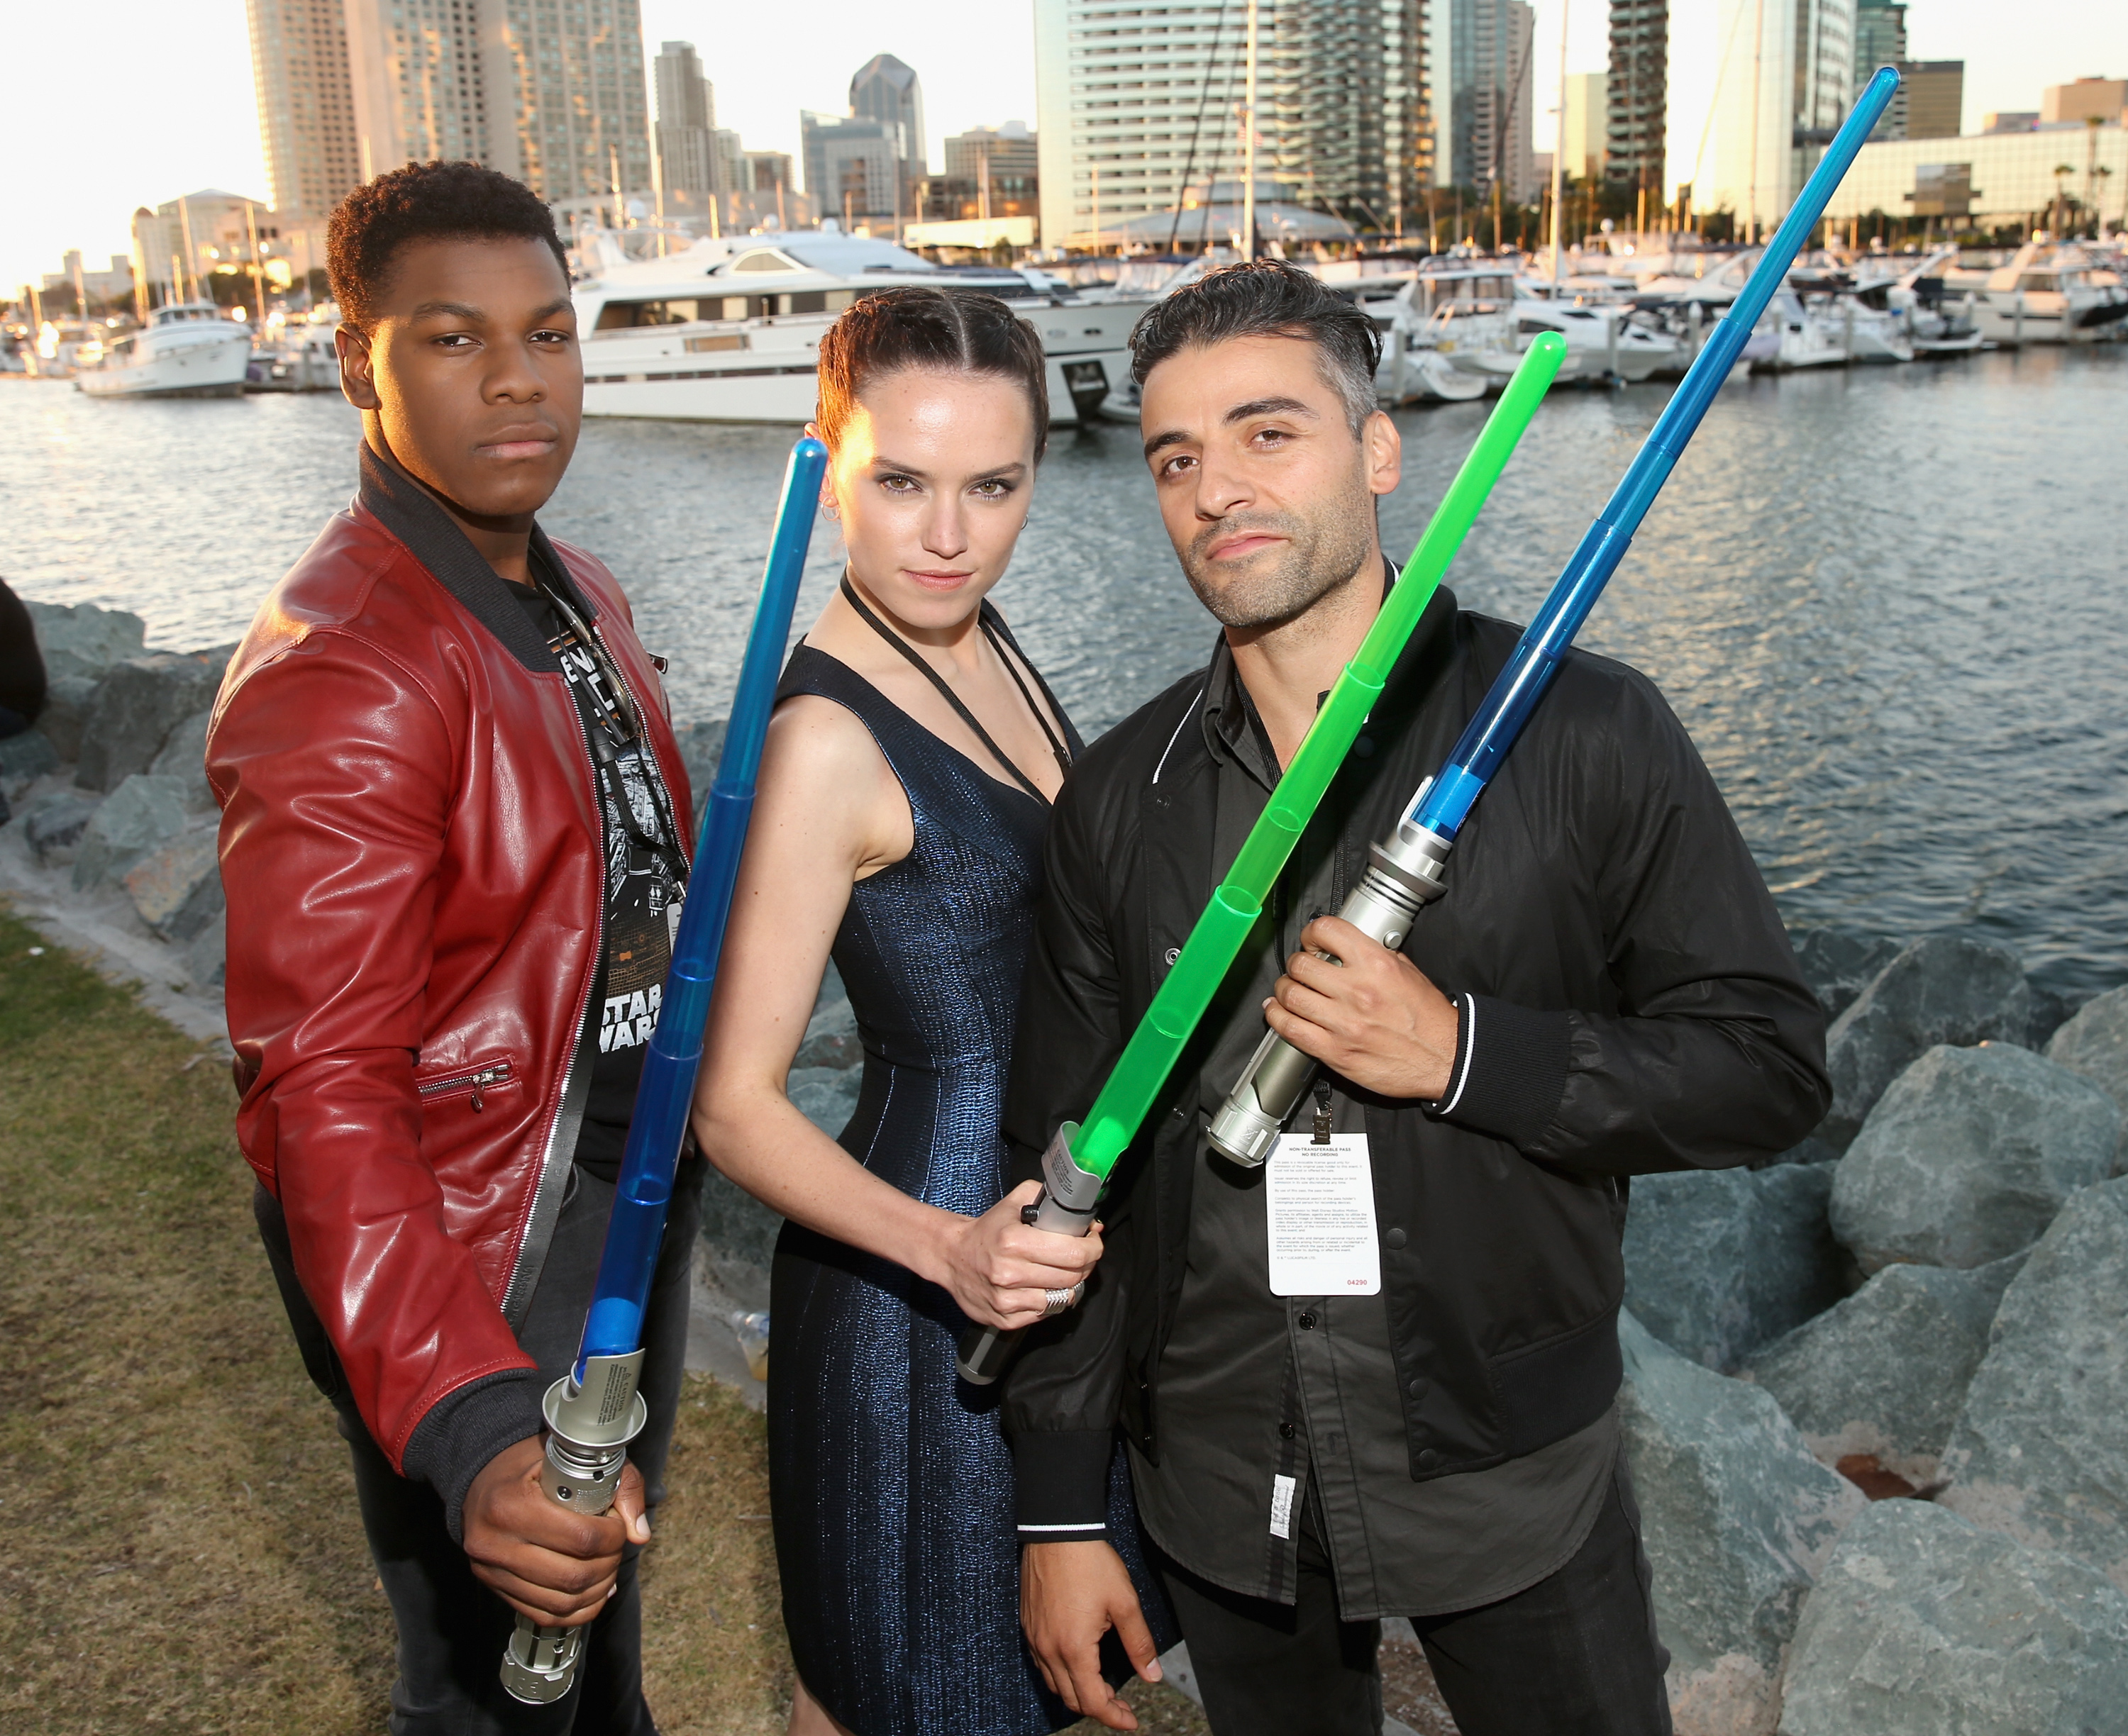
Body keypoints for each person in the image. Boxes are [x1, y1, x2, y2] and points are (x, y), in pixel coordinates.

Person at [1002, 260, 1831, 1736]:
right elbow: (1066, 1177)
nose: (1215, 492)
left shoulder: (1585, 729)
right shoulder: (1117, 799)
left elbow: (1766, 1068)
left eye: (1269, 434)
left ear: (1379, 454)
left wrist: (1464, 1055)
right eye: (1176, 456)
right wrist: (1060, 1512)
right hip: (1217, 1455)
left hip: (1505, 1457)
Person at [208, 161, 702, 1735]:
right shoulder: (345, 667)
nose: (518, 380)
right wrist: (469, 1405)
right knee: (494, 1690)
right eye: (452, 338)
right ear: (359, 356)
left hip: (615, 1197)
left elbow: (611, 891)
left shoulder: (580, 591)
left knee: (594, 1649)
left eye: (550, 334)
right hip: (478, 1247)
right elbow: (321, 1087)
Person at [690, 286, 1173, 1736]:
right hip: (922, 1300)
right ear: (827, 456)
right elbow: (731, 1105)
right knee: (929, 1692)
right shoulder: (825, 740)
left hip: (1033, 1252)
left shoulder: (977, 634)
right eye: (899, 482)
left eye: (995, 485)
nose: (949, 534)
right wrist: (949, 1252)